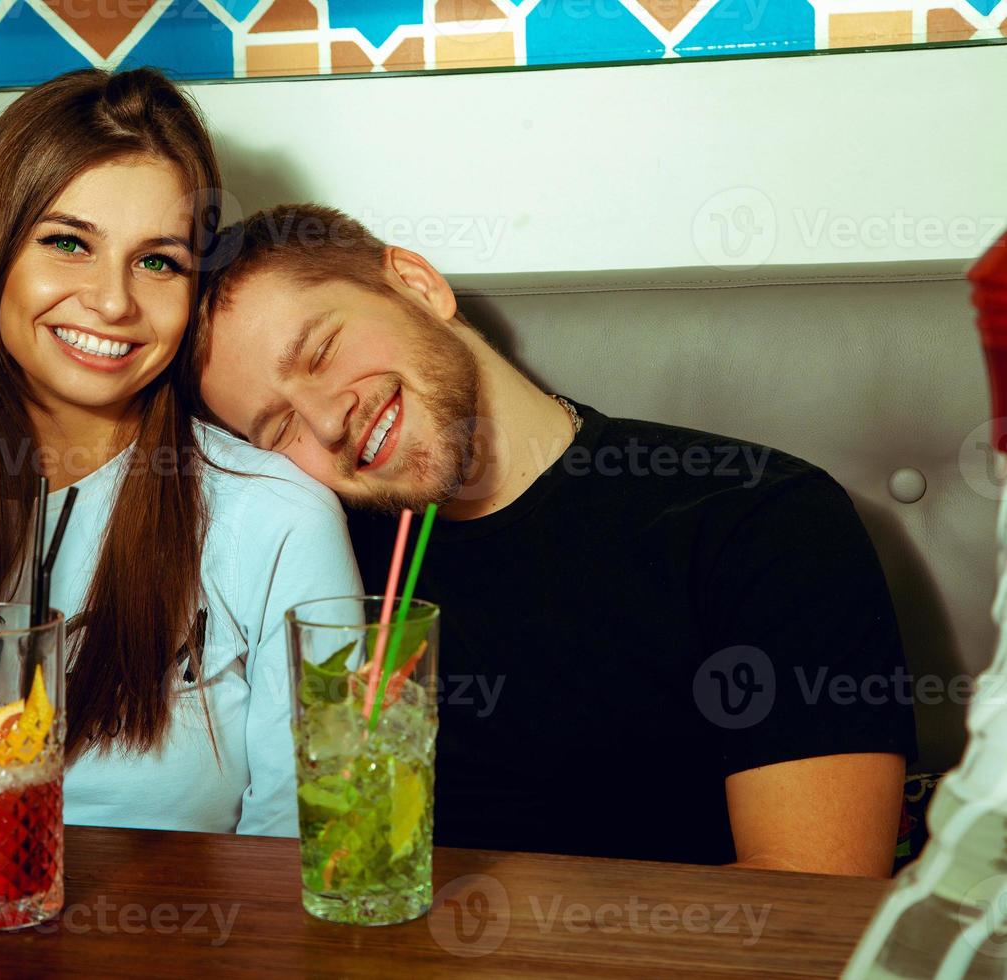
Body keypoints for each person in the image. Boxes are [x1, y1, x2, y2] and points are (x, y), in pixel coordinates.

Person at [193, 203, 917, 875]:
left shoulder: (759, 520)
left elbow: (809, 912)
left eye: (321, 351)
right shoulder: (312, 575)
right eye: (277, 428)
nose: (325, 422)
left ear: (417, 285)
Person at [0, 72, 361, 836]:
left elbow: (308, 845)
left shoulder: (278, 521)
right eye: (68, 243)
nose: (113, 302)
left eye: (159, 262)